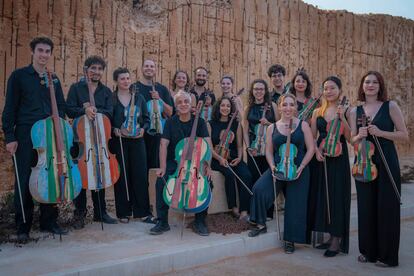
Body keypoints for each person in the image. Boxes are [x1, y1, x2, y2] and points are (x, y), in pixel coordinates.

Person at [2, 36, 68, 242]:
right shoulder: (19, 76)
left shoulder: (54, 79)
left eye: (47, 51)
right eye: (40, 50)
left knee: (50, 175)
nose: (44, 55)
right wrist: (10, 137)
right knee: (24, 178)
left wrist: (61, 132)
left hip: (48, 133)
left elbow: (61, 107)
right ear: (32, 52)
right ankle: (24, 226)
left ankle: (49, 221)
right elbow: (9, 108)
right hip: (25, 133)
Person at [349, 71, 408, 267]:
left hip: (386, 161)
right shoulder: (354, 111)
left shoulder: (390, 106)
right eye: (367, 82)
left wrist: (381, 132)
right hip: (364, 161)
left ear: (380, 86)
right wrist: (360, 135)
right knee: (366, 208)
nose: (371, 85)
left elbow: (404, 135)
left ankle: (387, 256)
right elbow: (352, 140)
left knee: (387, 208)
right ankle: (368, 252)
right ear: (362, 85)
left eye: (375, 82)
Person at [248, 93, 315, 254]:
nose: (288, 108)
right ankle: (260, 224)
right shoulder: (272, 127)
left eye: (291, 104)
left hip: (298, 167)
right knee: (259, 189)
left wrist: (302, 167)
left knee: (295, 203)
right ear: (279, 107)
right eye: (285, 104)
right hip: (278, 167)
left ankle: (290, 239)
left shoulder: (303, 125)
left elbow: (311, 148)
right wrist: (271, 166)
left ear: (296, 108)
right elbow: (269, 151)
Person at [150, 91, 214, 236]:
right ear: (176, 105)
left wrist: (207, 166)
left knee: (207, 183)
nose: (183, 104)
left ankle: (200, 221)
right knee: (162, 181)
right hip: (176, 162)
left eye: (186, 101)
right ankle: (162, 222)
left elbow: (208, 144)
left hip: (196, 162)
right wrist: (163, 167)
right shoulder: (171, 122)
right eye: (180, 102)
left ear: (191, 104)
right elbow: (163, 145)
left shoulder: (199, 122)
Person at [66, 55, 117, 228]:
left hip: (100, 141)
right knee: (80, 176)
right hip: (81, 141)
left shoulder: (106, 91)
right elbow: (69, 110)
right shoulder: (76, 88)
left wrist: (95, 110)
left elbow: (110, 112)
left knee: (100, 174)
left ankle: (100, 212)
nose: (96, 72)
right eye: (93, 68)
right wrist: (84, 109)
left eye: (99, 69)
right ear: (86, 69)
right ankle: (79, 213)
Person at [310, 76, 351, 257]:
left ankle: (337, 239)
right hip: (321, 157)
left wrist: (342, 118)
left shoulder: (346, 111)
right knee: (323, 197)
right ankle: (328, 235)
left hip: (338, 157)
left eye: (332, 88)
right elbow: (312, 136)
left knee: (336, 197)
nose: (329, 91)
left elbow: (350, 137)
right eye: (326, 88)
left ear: (339, 90)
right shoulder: (317, 112)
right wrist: (316, 152)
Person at [110, 67, 156, 224]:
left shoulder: (139, 98)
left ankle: (142, 212)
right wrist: (114, 130)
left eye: (128, 78)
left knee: (140, 175)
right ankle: (123, 211)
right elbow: (107, 119)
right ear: (116, 81)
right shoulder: (112, 98)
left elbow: (147, 118)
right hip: (120, 142)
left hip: (137, 141)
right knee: (121, 176)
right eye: (122, 79)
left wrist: (143, 130)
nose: (126, 81)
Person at [208, 96, 253, 220]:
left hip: (233, 157)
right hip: (217, 159)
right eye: (223, 105)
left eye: (228, 106)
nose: (225, 108)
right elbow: (210, 148)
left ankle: (244, 210)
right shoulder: (210, 124)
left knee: (246, 175)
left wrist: (239, 157)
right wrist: (220, 159)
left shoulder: (236, 124)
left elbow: (239, 145)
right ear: (218, 107)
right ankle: (233, 207)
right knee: (229, 174)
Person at [134, 59, 173, 169]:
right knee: (140, 167)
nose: (149, 68)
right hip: (139, 132)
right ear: (142, 69)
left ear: (155, 70)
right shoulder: (134, 88)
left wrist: (159, 98)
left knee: (154, 166)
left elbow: (170, 112)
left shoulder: (162, 89)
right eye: (146, 66)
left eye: (152, 66)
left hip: (157, 134)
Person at [243, 79, 278, 184]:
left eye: (261, 89)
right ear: (252, 91)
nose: (259, 91)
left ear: (265, 91)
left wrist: (268, 123)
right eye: (256, 89)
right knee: (254, 177)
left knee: (268, 179)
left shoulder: (273, 106)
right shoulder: (248, 108)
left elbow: (279, 127)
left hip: (269, 147)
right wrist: (248, 147)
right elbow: (245, 130)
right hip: (253, 147)